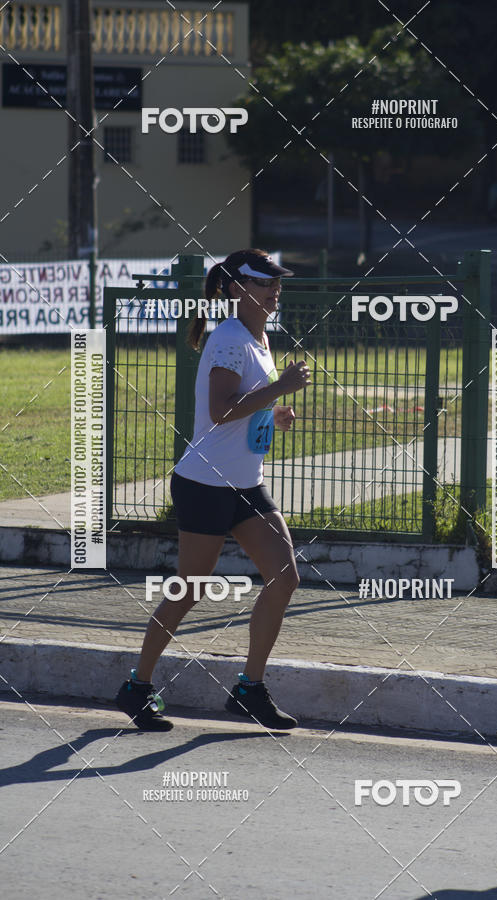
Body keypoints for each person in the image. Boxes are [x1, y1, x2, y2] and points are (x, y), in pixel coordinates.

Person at [115, 249, 311, 731]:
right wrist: (280, 390)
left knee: (284, 578)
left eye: (277, 283)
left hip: (245, 486)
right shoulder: (228, 340)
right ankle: (137, 686)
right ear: (236, 288)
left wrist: (273, 413)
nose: (275, 290)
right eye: (265, 283)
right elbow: (222, 409)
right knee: (189, 589)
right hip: (204, 485)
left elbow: (243, 408)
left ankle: (249, 689)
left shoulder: (258, 338)